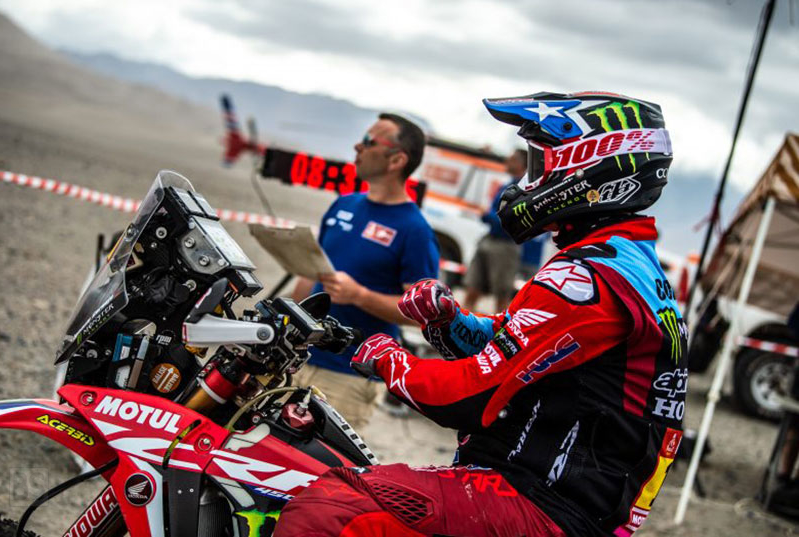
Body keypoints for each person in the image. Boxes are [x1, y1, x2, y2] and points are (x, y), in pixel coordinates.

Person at [275, 92, 687, 537]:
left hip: (541, 500)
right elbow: (524, 346)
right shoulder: (626, 264)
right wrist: (449, 322)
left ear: (589, 167)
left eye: (539, 165)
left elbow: (470, 398)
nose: (527, 182)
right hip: (569, 499)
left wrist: (385, 356)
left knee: (333, 507)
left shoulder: (586, 277)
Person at [290, 113, 439, 429]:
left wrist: (359, 295)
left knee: (317, 461)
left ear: (397, 160)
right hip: (298, 359)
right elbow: (312, 274)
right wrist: (288, 323)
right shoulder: (344, 204)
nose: (358, 146)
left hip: (348, 377)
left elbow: (422, 315)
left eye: (370, 141)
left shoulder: (415, 230)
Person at [463, 149, 529, 312]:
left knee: (501, 297)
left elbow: (510, 220)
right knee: (472, 289)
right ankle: (461, 324)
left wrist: (486, 215)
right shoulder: (507, 186)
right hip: (489, 240)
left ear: (522, 165)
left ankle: (501, 328)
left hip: (505, 246)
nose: (507, 161)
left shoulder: (524, 190)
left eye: (512, 159)